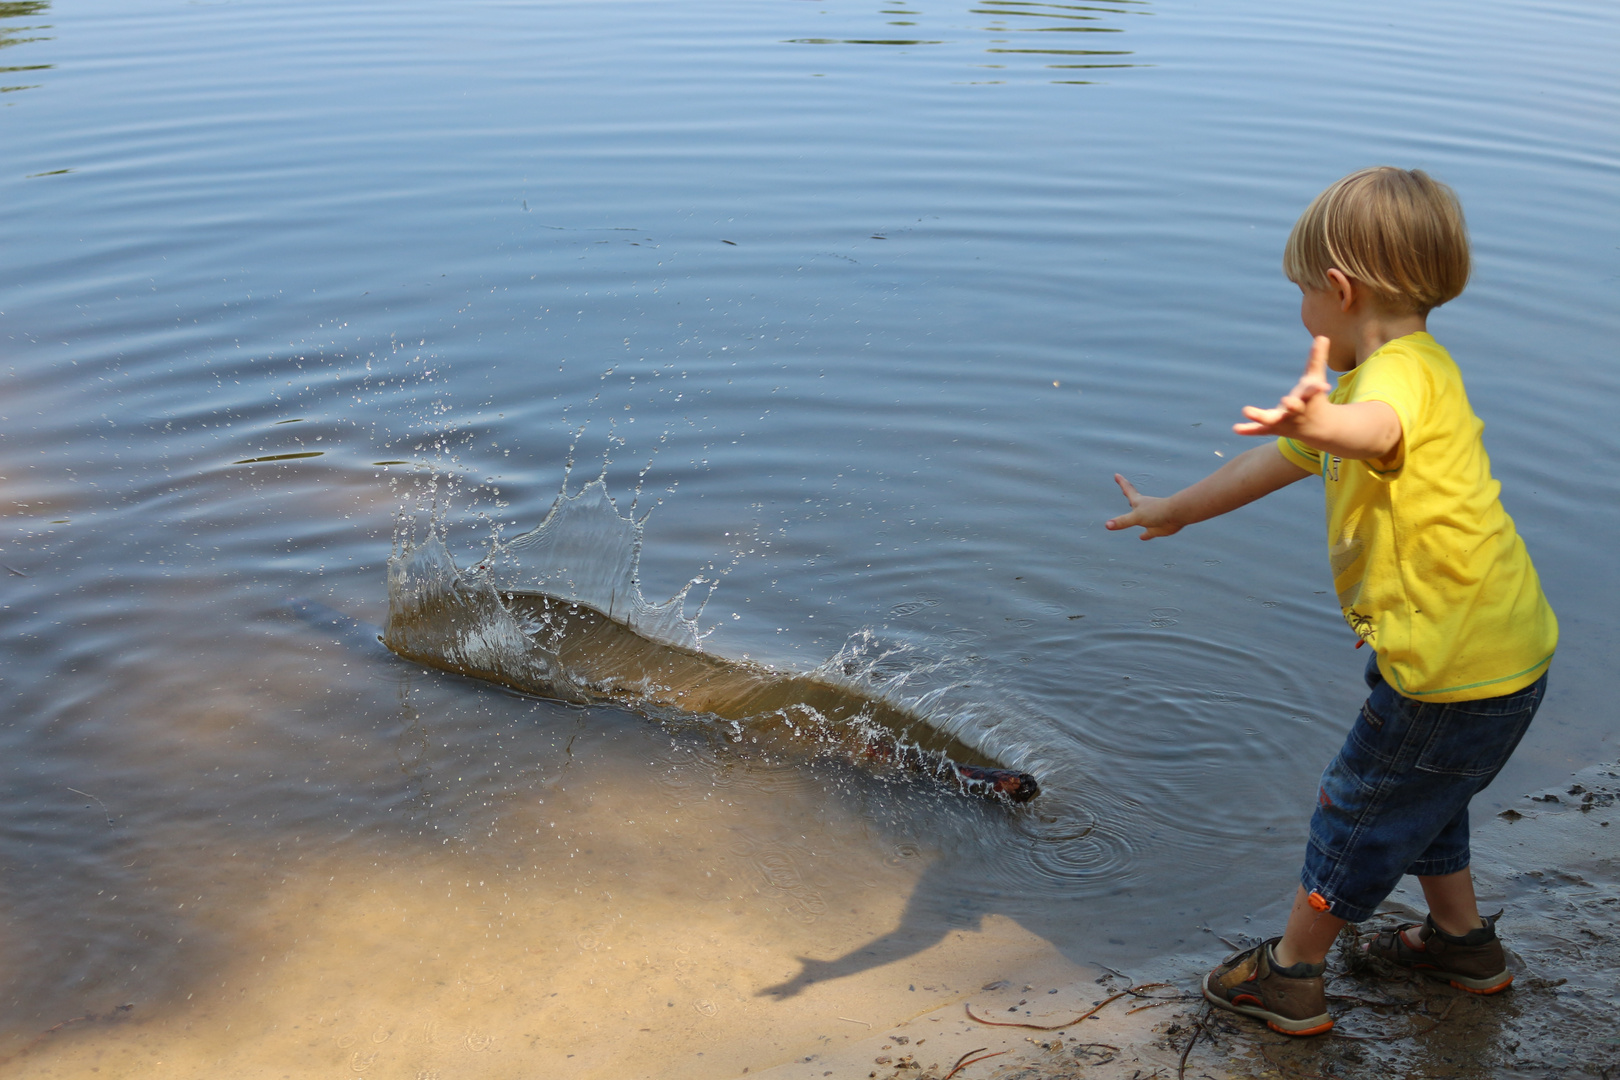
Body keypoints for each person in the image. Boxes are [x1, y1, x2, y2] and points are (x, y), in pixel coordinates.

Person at [1104, 166, 1558, 1037]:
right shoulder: (1404, 373)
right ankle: (1462, 948)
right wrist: (1175, 511)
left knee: (1353, 814)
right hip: (1495, 653)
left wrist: (1318, 422)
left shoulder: (1396, 383)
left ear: (1339, 290)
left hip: (1448, 672)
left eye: (1301, 294)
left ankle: (1289, 975)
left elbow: (1372, 430)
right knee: (1426, 798)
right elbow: (1269, 466)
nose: (1302, 311)